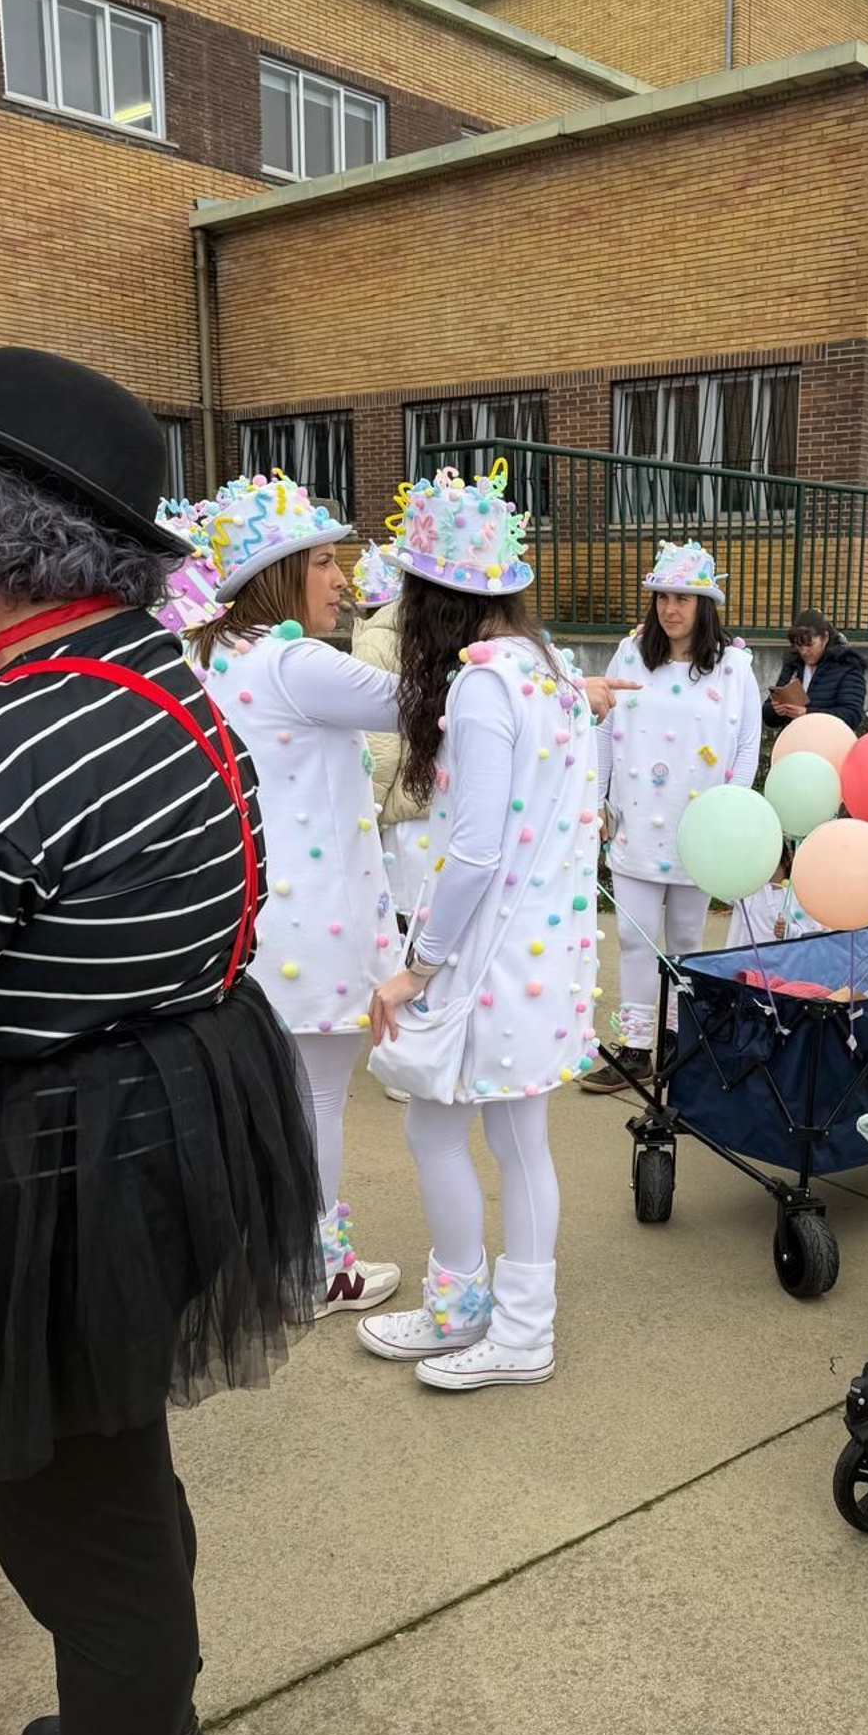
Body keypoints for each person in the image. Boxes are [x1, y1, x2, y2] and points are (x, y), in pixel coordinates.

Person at [0, 347, 321, 1735]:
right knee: (116, 1476)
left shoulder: (10, 743)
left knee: (73, 1522)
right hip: (145, 1142)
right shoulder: (148, 684)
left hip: (50, 1174)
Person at [357, 466, 600, 1387]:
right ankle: (469, 1306)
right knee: (489, 1136)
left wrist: (416, 965)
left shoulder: (484, 688)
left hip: (487, 959)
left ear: (432, 599)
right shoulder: (557, 678)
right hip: (539, 952)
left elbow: (476, 849)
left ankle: (518, 1330)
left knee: (472, 1134)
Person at [171, 472, 406, 1318]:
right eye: (324, 562)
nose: (342, 578)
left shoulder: (209, 655)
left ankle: (264, 1252)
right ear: (277, 575)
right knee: (316, 1101)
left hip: (249, 922)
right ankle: (315, 1266)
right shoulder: (293, 660)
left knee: (262, 1103)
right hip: (318, 931)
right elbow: (423, 703)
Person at [585, 541, 761, 1091]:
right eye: (662, 597)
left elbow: (746, 749)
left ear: (704, 605)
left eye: (684, 598)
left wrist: (730, 820)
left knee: (686, 939)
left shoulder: (734, 668)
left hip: (700, 832)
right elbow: (604, 730)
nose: (671, 608)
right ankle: (635, 1045)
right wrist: (596, 801)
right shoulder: (631, 654)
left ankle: (676, 1040)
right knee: (636, 938)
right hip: (636, 823)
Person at [347, 541, 429, 922]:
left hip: (402, 818)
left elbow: (378, 753)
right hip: (440, 804)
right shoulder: (431, 633)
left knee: (407, 924)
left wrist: (368, 822)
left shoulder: (373, 643)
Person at [763, 610, 868, 731]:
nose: (803, 651)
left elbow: (852, 715)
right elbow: (767, 715)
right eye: (799, 645)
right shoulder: (793, 664)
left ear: (825, 638)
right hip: (793, 741)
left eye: (810, 644)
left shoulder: (847, 666)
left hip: (829, 744)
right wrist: (775, 710)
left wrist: (808, 714)